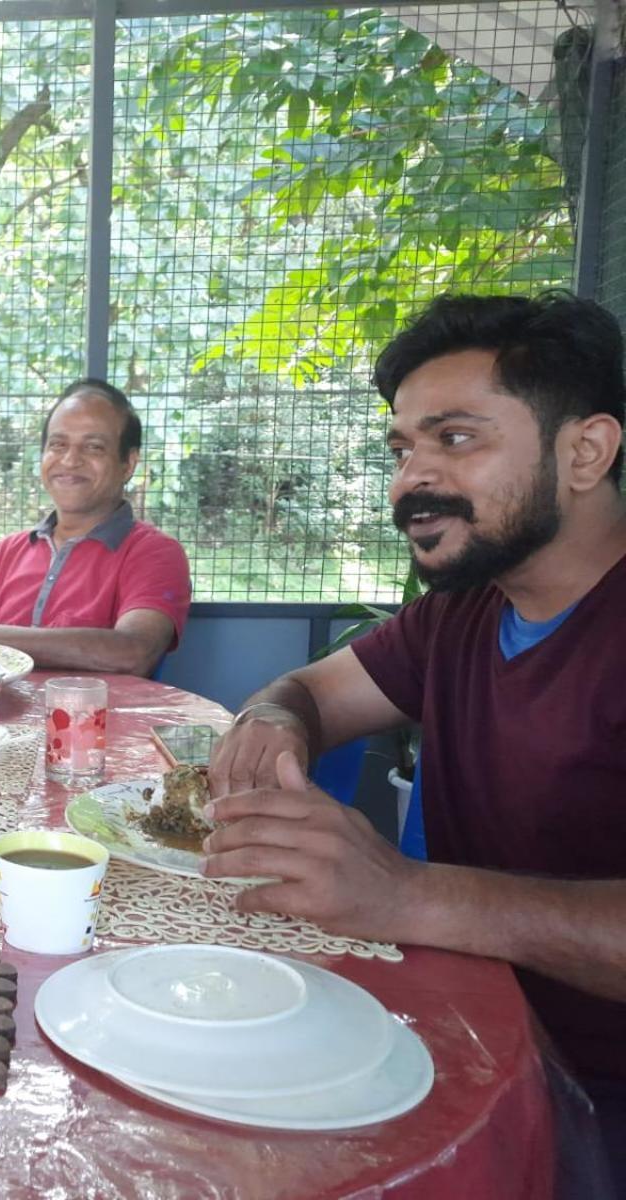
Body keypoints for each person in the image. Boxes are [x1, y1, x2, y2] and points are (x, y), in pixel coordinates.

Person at [205, 292, 626, 1178]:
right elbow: (312, 691)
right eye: (404, 448)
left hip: (590, 1098)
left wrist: (407, 895)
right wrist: (276, 717)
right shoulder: (468, 611)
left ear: (585, 451)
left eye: (458, 438)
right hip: (463, 1035)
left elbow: (412, 900)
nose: (412, 481)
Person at [0, 377, 190, 675]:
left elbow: (134, 651)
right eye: (58, 444)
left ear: (128, 463)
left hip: (97, 721)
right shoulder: (8, 553)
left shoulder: (154, 552)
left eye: (94, 447)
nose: (70, 460)